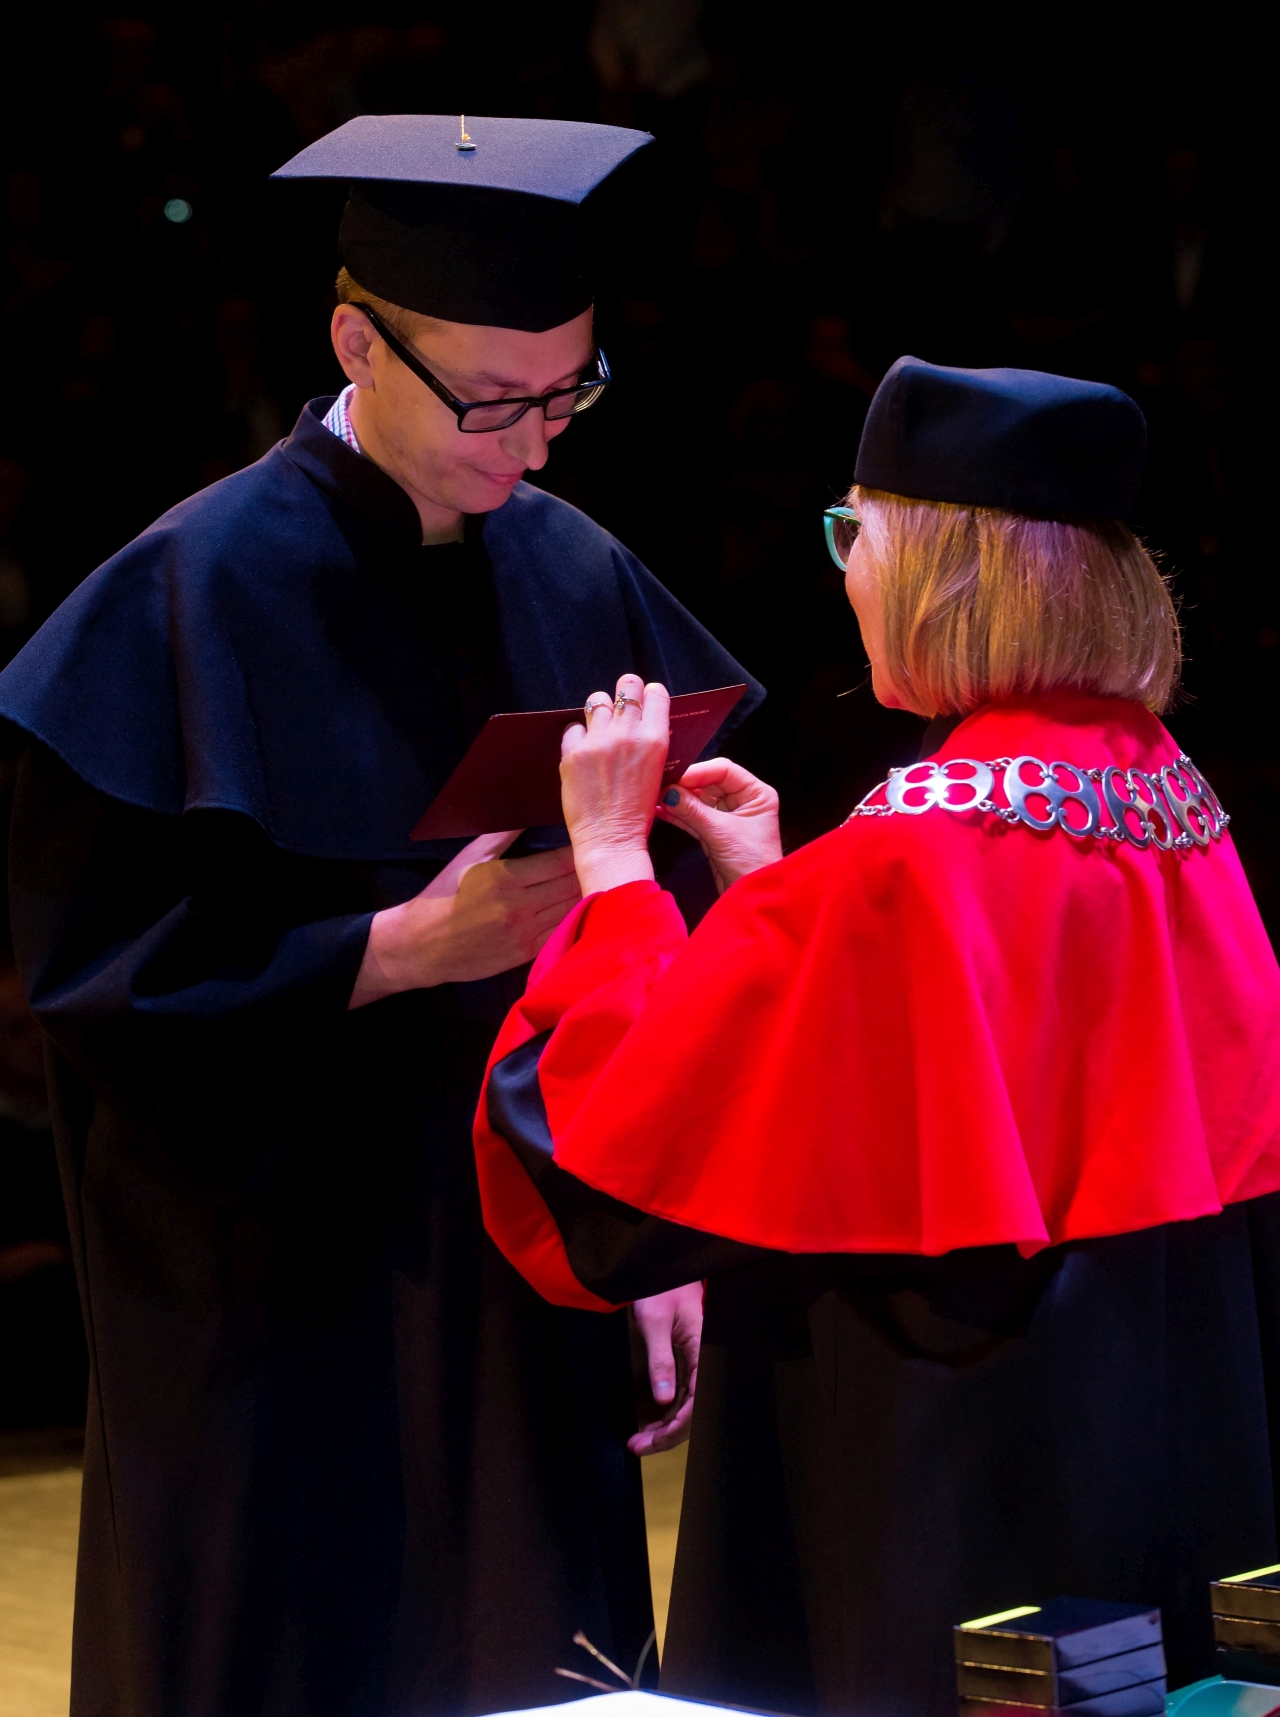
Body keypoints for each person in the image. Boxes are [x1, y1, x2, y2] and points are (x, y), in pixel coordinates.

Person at [0, 114, 760, 1717]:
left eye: (568, 395)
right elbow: (90, 994)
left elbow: (653, 943)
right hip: (267, 1293)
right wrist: (400, 950)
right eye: (492, 401)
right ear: (358, 342)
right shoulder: (184, 591)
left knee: (535, 1662)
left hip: (519, 1277)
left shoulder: (575, 567)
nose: (533, 448)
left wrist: (656, 1238)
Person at [475, 357, 1280, 1716]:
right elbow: (952, 1048)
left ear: (942, 572)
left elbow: (618, 1159)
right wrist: (769, 890)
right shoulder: (1162, 791)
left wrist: (614, 869)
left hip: (947, 1464)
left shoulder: (918, 840)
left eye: (857, 533)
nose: (846, 571)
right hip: (1153, 1431)